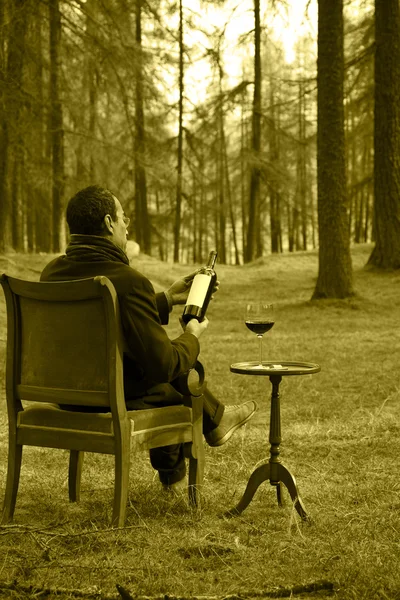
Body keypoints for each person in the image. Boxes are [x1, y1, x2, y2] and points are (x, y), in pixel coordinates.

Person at [41, 185, 257, 493]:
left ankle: (211, 428)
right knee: (173, 383)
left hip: (67, 396)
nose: (128, 224)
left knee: (165, 379)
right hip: (111, 399)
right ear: (108, 223)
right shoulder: (128, 281)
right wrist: (191, 336)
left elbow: (108, 318)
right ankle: (201, 440)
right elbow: (164, 364)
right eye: (123, 217)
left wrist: (168, 298)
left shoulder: (52, 273)